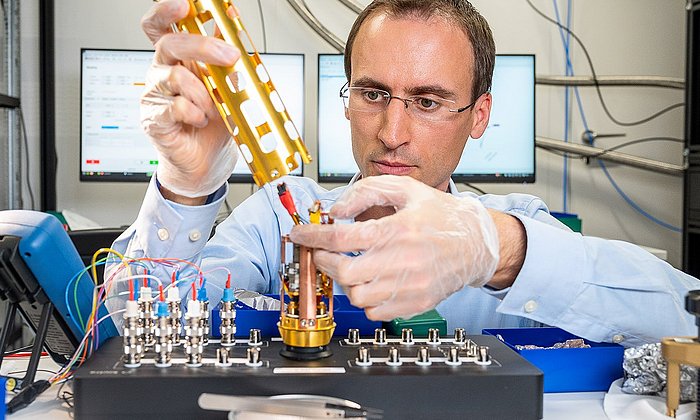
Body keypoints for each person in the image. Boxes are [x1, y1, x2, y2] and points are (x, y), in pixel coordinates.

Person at [108, 0, 697, 347]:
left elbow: (686, 311)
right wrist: (185, 186)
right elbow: (128, 332)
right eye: (373, 93)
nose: (392, 131)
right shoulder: (281, 217)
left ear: (479, 116)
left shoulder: (515, 231)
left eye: (429, 101)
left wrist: (501, 251)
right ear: (346, 99)